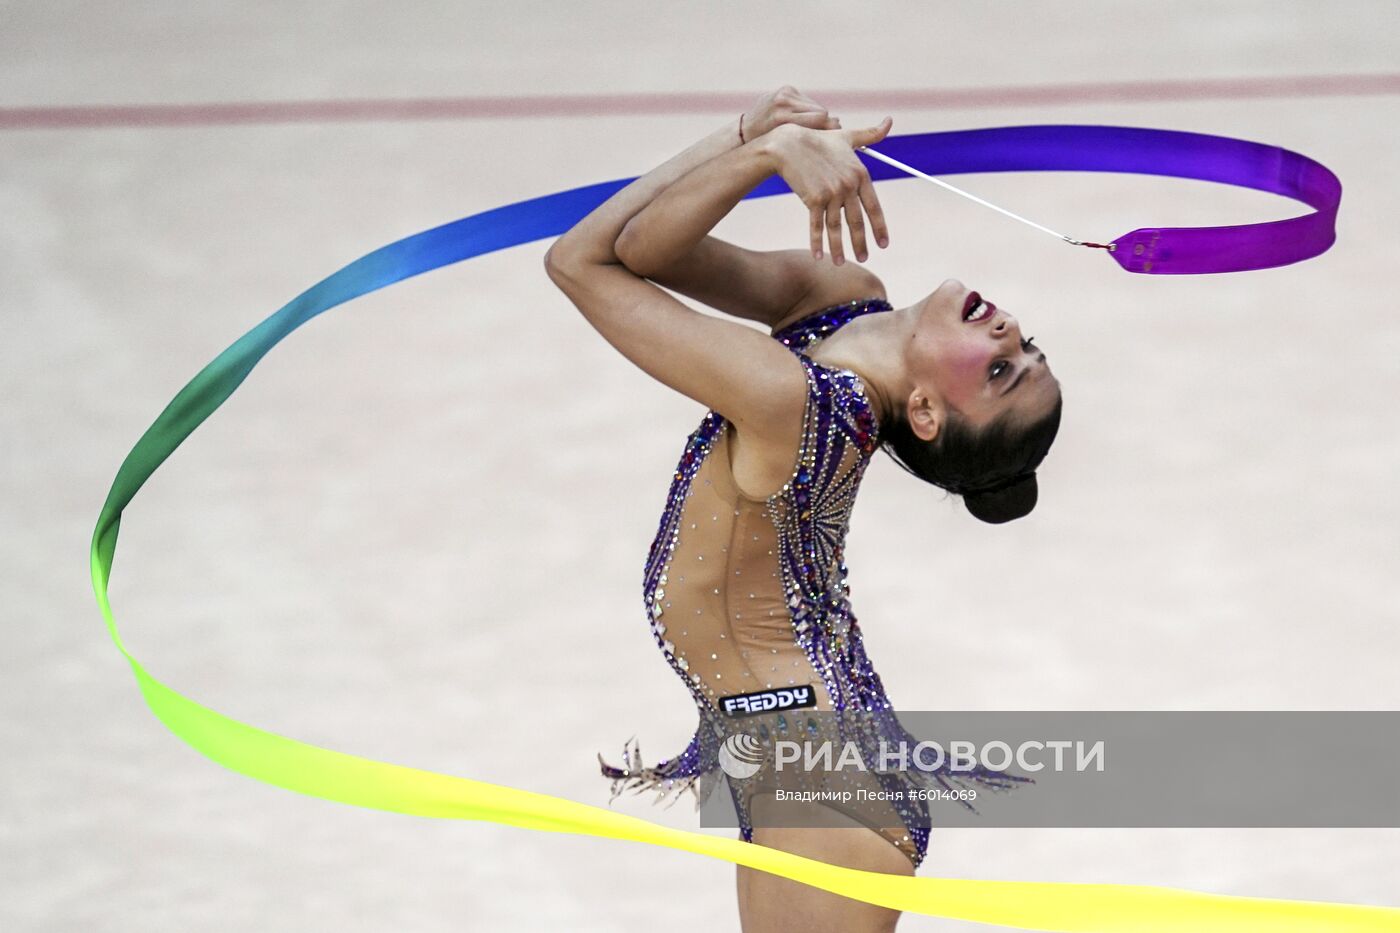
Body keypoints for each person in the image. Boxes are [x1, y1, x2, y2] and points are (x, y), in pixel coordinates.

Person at [544, 86, 1062, 933]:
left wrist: (758, 157)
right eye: (1026, 348)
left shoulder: (794, 404)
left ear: (926, 414)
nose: (1009, 334)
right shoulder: (842, 299)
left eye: (1000, 373)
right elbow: (646, 246)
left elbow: (578, 262)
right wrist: (751, 136)